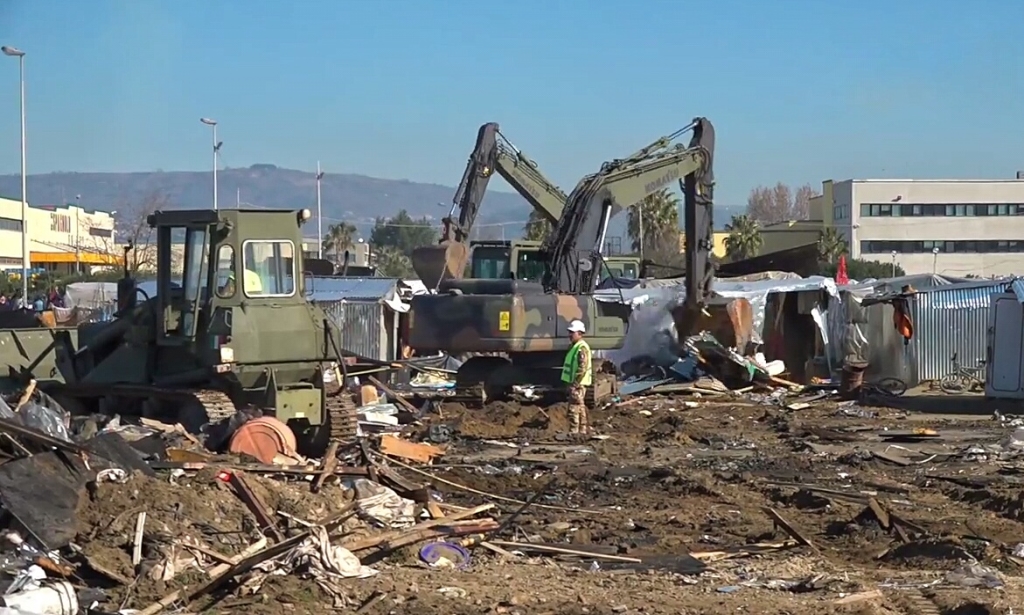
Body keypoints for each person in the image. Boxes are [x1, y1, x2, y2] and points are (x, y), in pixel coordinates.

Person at [560, 319, 592, 435]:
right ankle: (582, 431)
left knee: (574, 408)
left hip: (578, 383)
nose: (570, 335)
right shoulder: (575, 346)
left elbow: (582, 368)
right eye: (569, 332)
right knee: (580, 407)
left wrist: (575, 383)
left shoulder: (581, 347)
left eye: (572, 333)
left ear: (580, 333)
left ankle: (574, 432)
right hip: (577, 383)